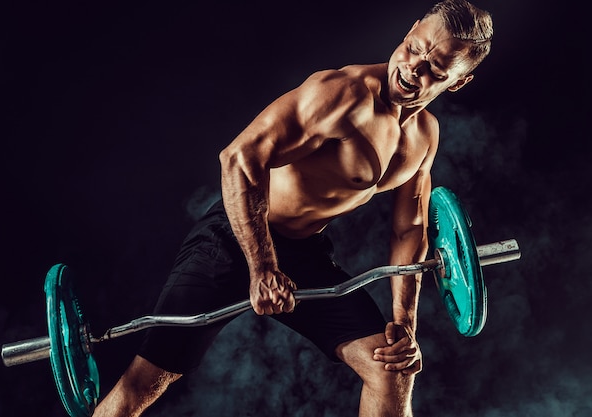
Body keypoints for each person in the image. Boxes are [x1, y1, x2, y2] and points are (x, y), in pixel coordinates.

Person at [93, 1, 493, 416]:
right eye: (414, 48)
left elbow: (409, 230)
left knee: (391, 367)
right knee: (145, 381)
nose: (414, 69)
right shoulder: (342, 94)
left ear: (458, 82)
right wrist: (262, 265)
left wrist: (403, 325)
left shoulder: (425, 137)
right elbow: (239, 158)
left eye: (436, 71)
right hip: (233, 237)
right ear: (411, 30)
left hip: (305, 253)